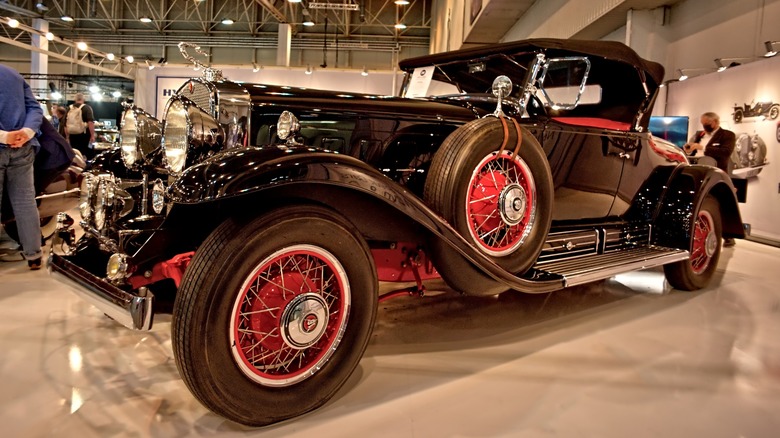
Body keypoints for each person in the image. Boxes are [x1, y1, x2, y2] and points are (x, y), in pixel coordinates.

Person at [0, 63, 43, 269]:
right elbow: (35, 108)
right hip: (23, 147)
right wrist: (26, 132)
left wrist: (5, 136)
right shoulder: (13, 74)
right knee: (25, 201)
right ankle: (34, 255)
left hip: (7, 142)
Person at [683, 112, 737, 247]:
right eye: (702, 123)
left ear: (715, 122)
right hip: (698, 170)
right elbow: (692, 150)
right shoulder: (699, 135)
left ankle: (728, 234)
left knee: (719, 203)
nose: (704, 126)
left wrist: (703, 148)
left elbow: (725, 152)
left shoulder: (727, 135)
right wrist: (689, 150)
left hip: (716, 172)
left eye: (707, 123)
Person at [65, 93, 96, 160]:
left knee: (75, 155)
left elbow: (65, 124)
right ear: (83, 99)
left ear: (75, 99)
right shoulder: (86, 108)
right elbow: (90, 122)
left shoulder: (69, 108)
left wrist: (67, 137)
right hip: (84, 136)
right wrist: (92, 135)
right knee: (88, 155)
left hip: (72, 136)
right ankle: (86, 168)